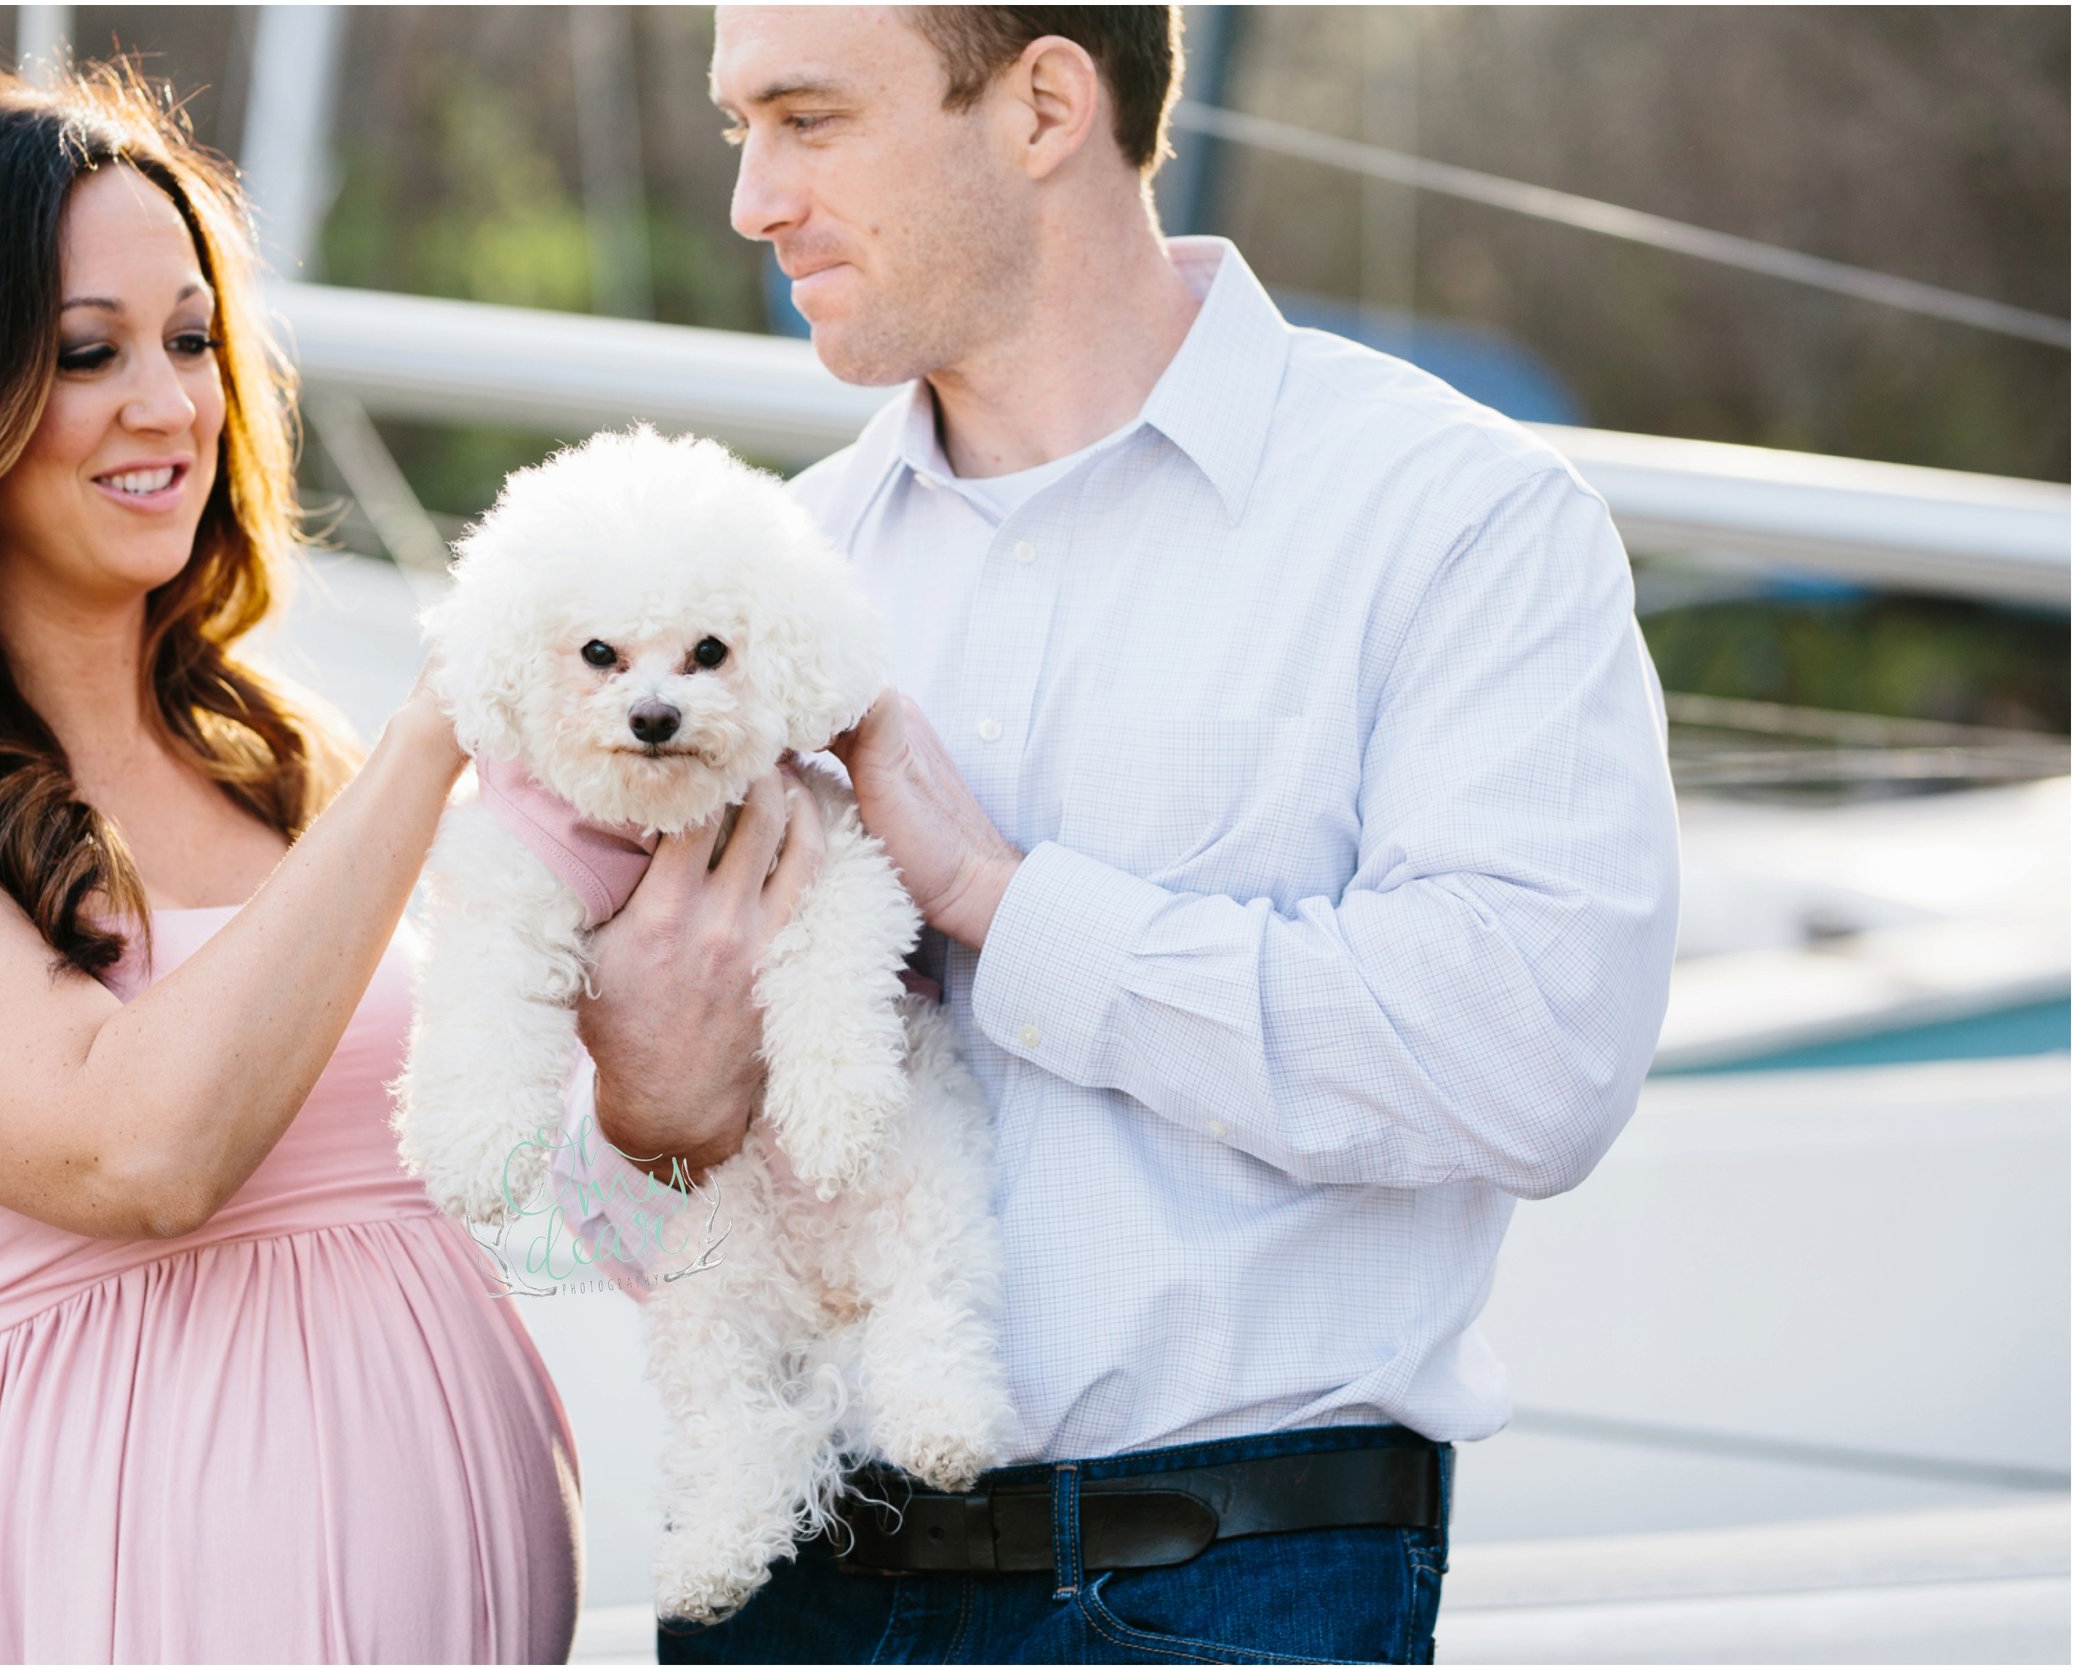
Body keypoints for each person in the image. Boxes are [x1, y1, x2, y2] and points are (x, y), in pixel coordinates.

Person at [574, 6, 1680, 1663]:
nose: (752, 199)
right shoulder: (752, 589)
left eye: (806, 119)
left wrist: (1008, 911)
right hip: (791, 1579)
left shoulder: (1457, 522)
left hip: (1230, 1584)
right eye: (742, 128)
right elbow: (601, 1224)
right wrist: (650, 1124)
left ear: (1041, 106)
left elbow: (1537, 1049)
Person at [0, 67, 755, 1664]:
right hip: (63, 1595)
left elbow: (522, 1207)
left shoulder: (293, 769)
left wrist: (657, 1127)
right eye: (88, 352)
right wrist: (451, 717)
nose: (167, 404)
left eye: (191, 338)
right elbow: (139, 1148)